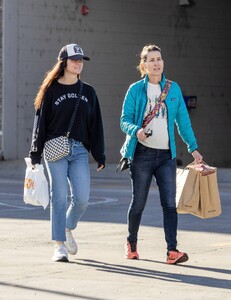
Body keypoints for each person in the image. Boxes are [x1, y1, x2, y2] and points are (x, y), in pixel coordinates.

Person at [120, 44, 203, 264]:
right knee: (139, 202)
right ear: (144, 65)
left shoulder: (173, 89)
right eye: (151, 60)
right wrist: (136, 131)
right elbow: (124, 120)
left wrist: (192, 148)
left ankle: (172, 251)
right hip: (141, 155)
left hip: (166, 156)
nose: (156, 63)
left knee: (169, 204)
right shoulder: (136, 89)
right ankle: (132, 244)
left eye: (159, 59)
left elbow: (182, 122)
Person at [29, 43, 106, 262]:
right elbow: (40, 122)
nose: (78, 63)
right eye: (74, 60)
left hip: (79, 150)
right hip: (55, 149)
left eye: (81, 60)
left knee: (82, 198)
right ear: (63, 63)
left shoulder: (88, 91)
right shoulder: (51, 90)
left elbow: (95, 125)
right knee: (59, 197)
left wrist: (99, 154)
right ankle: (59, 245)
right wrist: (35, 152)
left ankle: (67, 228)